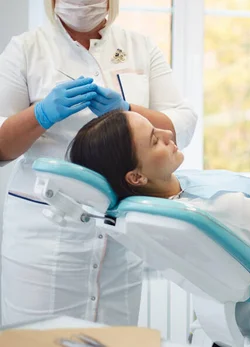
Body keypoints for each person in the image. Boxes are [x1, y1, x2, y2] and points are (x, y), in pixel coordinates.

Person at [68, 110, 250, 346]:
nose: (169, 134)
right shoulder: (220, 208)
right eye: (155, 140)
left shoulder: (175, 198)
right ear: (135, 177)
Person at [0, 0, 197, 326]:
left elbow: (184, 123)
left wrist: (126, 109)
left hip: (120, 237)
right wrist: (40, 115)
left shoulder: (139, 46)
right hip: (43, 239)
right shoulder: (26, 49)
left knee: (115, 337)